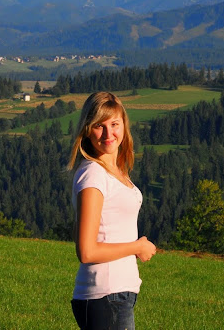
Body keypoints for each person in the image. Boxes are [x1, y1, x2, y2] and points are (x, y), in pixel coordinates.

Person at [68, 91, 157, 330]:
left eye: (114, 124)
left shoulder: (112, 171)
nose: (109, 134)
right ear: (87, 130)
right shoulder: (94, 175)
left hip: (114, 296)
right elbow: (86, 251)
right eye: (99, 126)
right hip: (107, 295)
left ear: (124, 126)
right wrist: (137, 247)